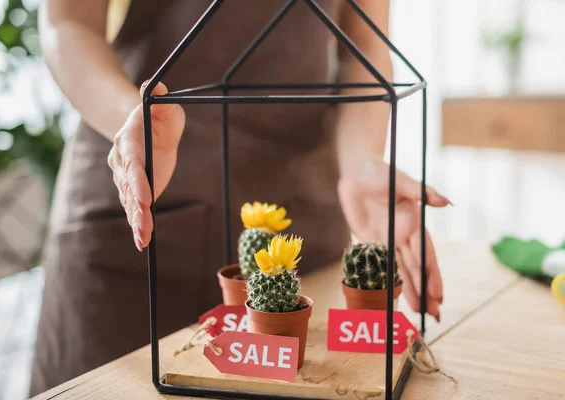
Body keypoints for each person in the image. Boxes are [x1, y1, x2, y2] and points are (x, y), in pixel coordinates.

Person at [31, 0, 450, 395]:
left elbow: (365, 45)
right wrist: (136, 116)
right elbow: (67, 22)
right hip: (137, 192)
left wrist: (361, 161)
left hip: (301, 213)